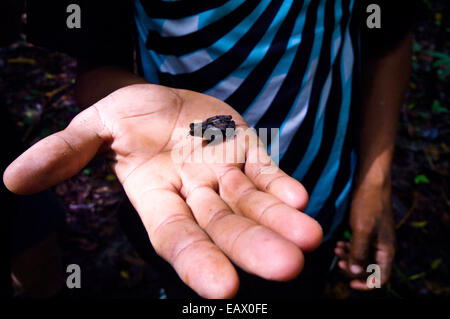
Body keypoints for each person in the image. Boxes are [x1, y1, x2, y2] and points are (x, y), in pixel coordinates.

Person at [4, 0, 416, 298]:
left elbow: (389, 32)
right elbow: (95, 56)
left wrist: (374, 179)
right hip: (186, 184)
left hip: (317, 180)